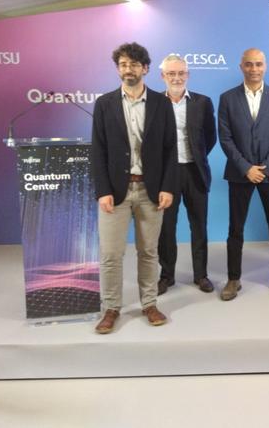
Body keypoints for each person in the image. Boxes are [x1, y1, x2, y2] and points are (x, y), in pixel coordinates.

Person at [91, 42, 177, 334]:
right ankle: (111, 309)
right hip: (115, 192)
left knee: (149, 252)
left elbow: (170, 150)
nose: (128, 69)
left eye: (134, 64)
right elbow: (98, 150)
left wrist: (167, 187)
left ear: (145, 69)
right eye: (123, 64)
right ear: (118, 69)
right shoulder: (104, 104)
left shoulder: (162, 104)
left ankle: (149, 304)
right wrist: (103, 190)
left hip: (150, 191)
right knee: (111, 255)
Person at [217, 48, 269, 300]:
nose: (254, 69)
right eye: (249, 64)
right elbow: (225, 138)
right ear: (241, 67)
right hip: (241, 174)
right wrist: (247, 168)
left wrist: (267, 167)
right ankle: (233, 279)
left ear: (265, 66)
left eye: (258, 64)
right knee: (235, 229)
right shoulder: (227, 98)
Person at [157, 54, 217, 295]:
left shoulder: (202, 102)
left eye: (181, 73)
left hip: (195, 171)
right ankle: (166, 276)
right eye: (171, 73)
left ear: (188, 75)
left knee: (199, 226)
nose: (177, 77)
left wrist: (197, 156)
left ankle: (201, 275)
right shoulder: (154, 103)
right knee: (166, 228)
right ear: (163, 76)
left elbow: (209, 138)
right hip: (165, 175)